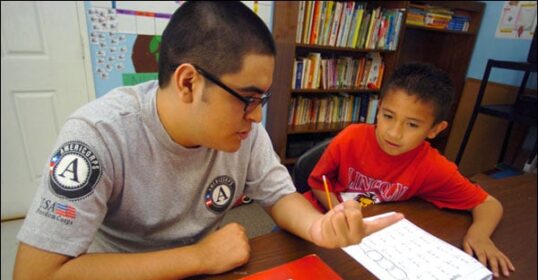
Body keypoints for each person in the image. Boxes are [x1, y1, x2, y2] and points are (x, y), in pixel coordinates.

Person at [13, 2, 403, 279]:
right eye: (248, 99)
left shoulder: (243, 132)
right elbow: (36, 274)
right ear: (188, 82)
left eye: (262, 99)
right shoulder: (97, 136)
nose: (257, 116)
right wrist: (198, 257)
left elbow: (278, 194)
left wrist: (320, 228)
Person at [305, 62, 516, 278]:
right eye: (388, 116)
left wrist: (479, 235)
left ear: (435, 129)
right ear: (378, 111)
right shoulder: (351, 138)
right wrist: (339, 213)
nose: (394, 133)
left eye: (412, 125)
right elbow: (316, 183)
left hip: (370, 242)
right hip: (318, 218)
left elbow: (488, 204)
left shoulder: (431, 166)